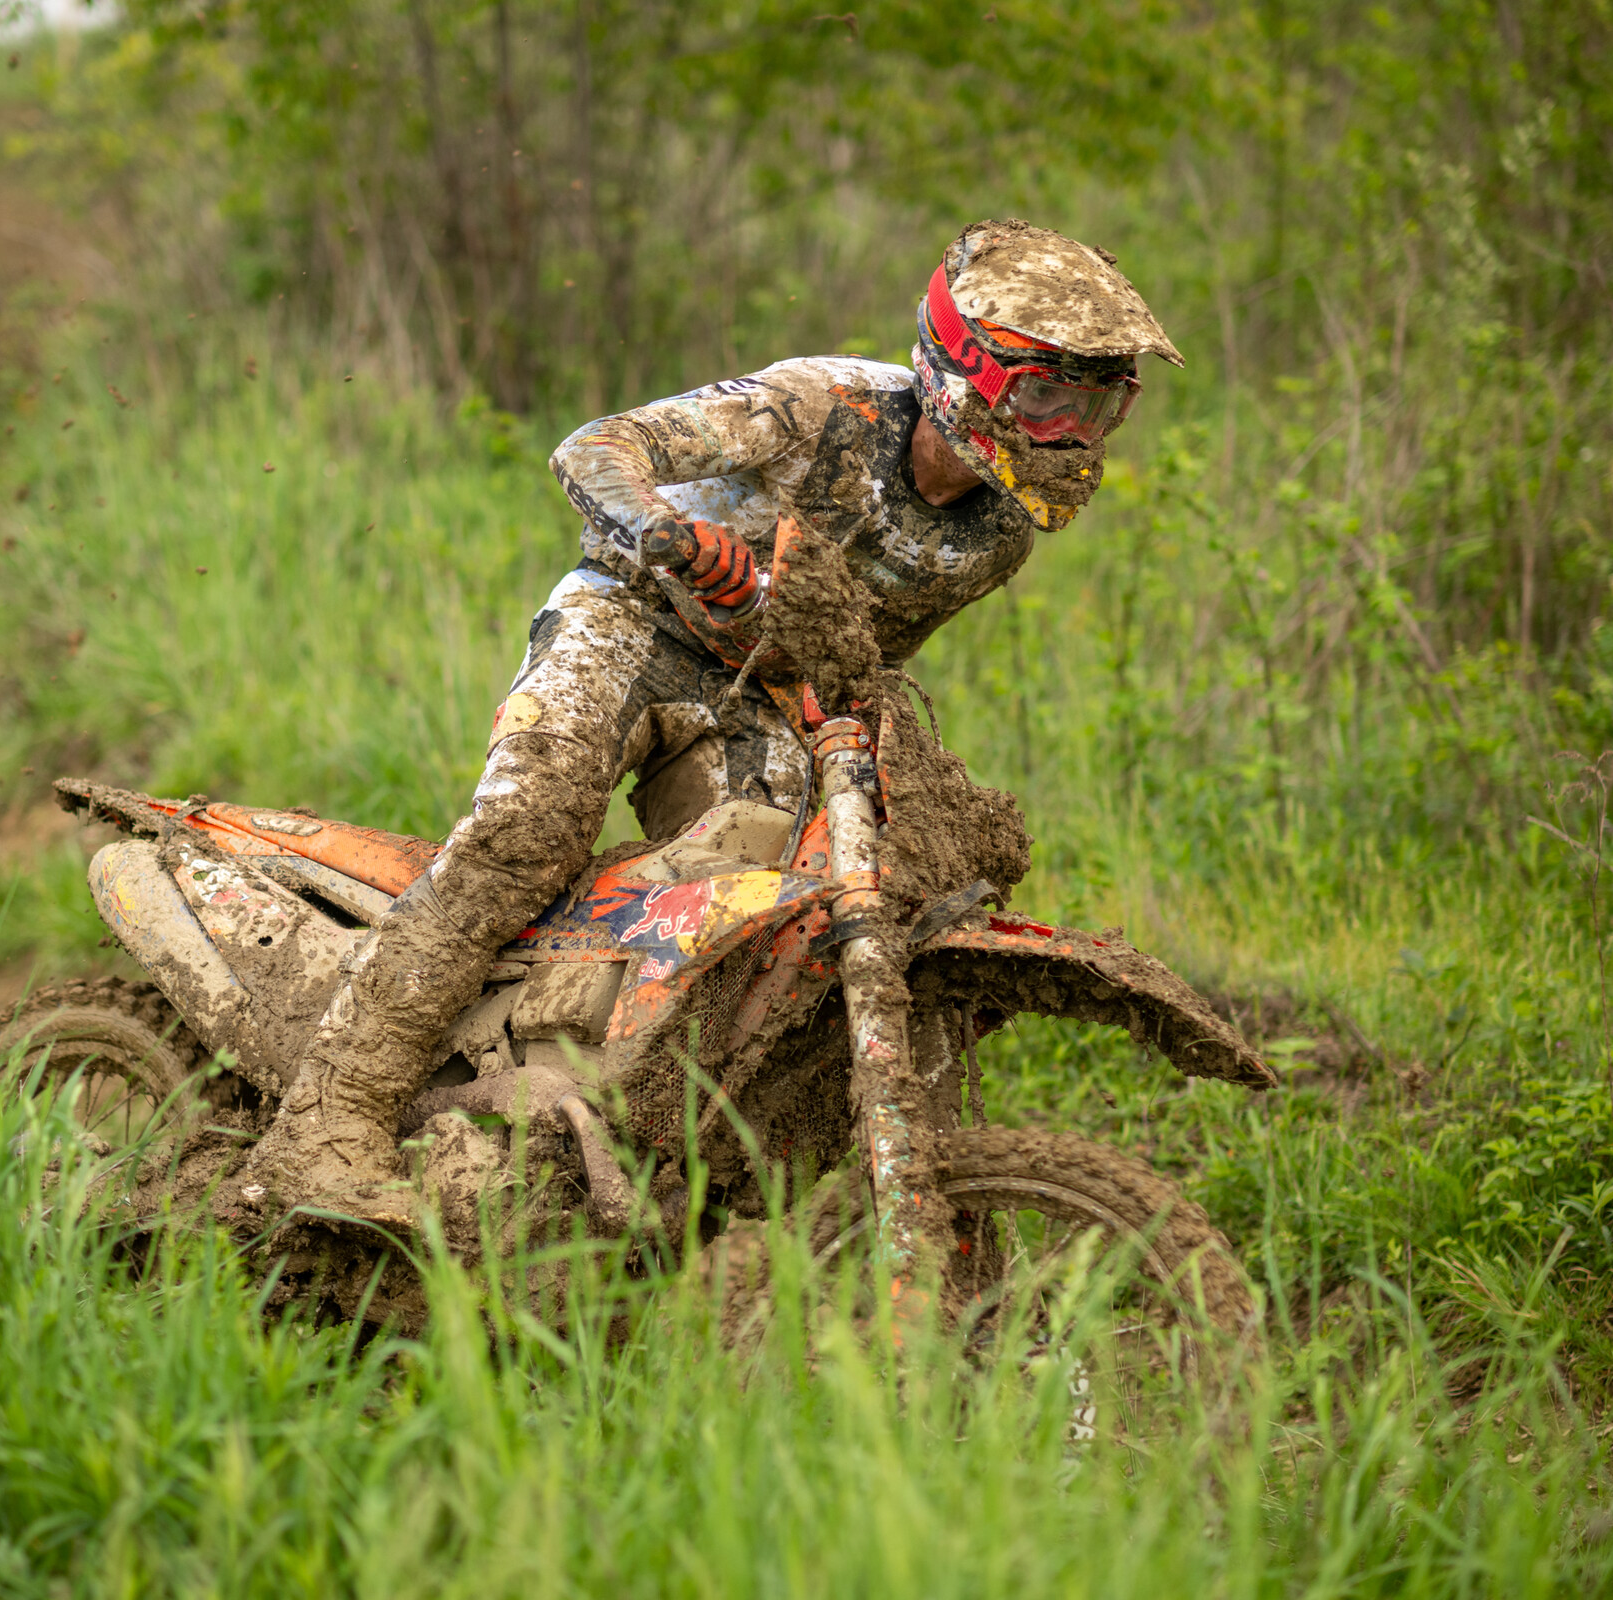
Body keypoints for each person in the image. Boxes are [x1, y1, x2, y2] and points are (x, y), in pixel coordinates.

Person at [228, 219, 1183, 1225]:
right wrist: (675, 535)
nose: (1072, 430)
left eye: (1100, 400)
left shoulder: (995, 532)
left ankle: (658, 1147)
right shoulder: (823, 408)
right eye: (1046, 393)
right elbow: (594, 450)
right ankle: (321, 1128)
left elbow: (866, 654)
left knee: (791, 913)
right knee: (526, 832)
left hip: (757, 691)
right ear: (967, 367)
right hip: (634, 615)